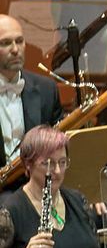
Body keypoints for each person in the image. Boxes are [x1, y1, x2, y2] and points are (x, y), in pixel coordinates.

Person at [0, 15, 65, 165]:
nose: (15, 50)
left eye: (19, 41)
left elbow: (58, 149)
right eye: (5, 43)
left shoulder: (46, 90)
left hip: (36, 184)